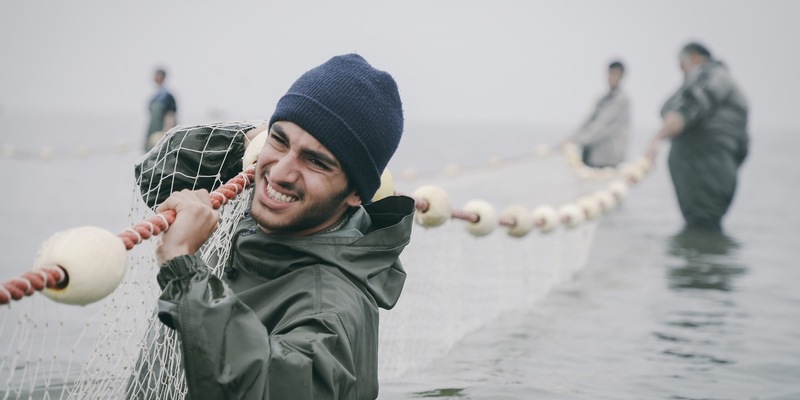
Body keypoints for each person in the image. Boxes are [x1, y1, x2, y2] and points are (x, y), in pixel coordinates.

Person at [143, 54, 414, 399]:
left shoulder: (332, 310)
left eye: (316, 161)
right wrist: (244, 145)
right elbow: (154, 176)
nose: (281, 173)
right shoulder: (271, 217)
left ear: (357, 193)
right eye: (280, 139)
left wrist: (184, 268)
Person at [645, 42, 749, 232]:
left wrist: (656, 140)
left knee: (701, 228)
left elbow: (688, 106)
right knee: (706, 226)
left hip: (704, 170)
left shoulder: (709, 74)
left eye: (681, 65)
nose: (681, 71)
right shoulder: (726, 82)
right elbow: (743, 147)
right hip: (719, 171)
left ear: (693, 57)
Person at [566, 60, 631, 168]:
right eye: (610, 73)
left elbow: (601, 126)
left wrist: (576, 141)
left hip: (608, 158)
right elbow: (587, 121)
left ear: (622, 76)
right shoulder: (602, 99)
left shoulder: (621, 101)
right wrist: (569, 140)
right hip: (593, 154)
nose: (612, 77)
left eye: (616, 74)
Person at [145, 68, 178, 151]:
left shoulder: (167, 96)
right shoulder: (155, 96)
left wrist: (166, 135)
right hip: (152, 136)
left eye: (156, 75)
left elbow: (170, 116)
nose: (154, 77)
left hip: (161, 137)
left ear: (161, 77)